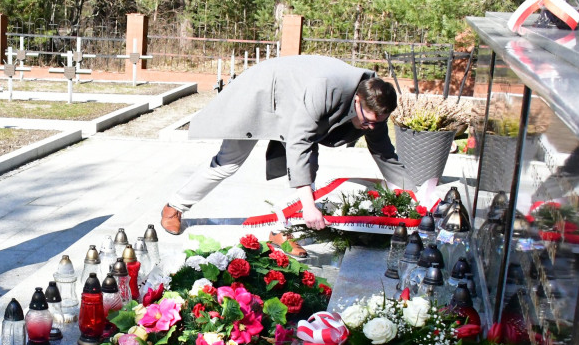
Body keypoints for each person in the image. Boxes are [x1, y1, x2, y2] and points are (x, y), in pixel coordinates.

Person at [161, 55, 407, 256]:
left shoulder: (374, 99)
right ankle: (174, 207)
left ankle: (282, 232)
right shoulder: (328, 89)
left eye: (378, 123)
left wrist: (409, 193)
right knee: (228, 163)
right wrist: (310, 207)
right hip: (263, 92)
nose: (370, 128)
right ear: (357, 101)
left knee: (310, 165)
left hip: (294, 102)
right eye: (367, 122)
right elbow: (300, 142)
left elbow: (384, 152)